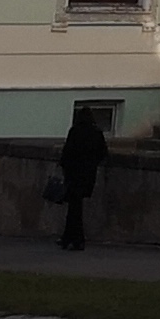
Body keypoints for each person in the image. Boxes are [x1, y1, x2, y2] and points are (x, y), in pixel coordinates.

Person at [57, 106, 108, 252]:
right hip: (87, 175)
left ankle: (76, 239)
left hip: (73, 174)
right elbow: (103, 153)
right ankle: (68, 237)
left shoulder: (75, 132)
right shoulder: (96, 133)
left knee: (74, 207)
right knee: (75, 207)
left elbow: (66, 153)